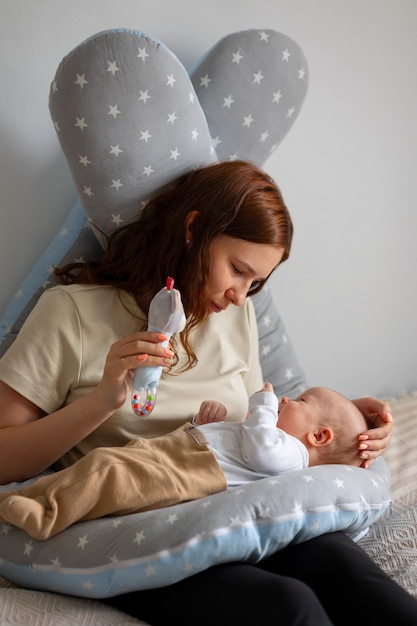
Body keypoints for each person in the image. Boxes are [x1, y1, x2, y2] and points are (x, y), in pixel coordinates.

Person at [0, 160, 414, 625]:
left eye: (255, 283)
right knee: (288, 607)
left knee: (357, 582)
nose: (241, 295)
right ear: (194, 228)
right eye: (237, 270)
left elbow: (269, 424)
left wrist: (349, 422)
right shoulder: (69, 314)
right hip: (148, 525)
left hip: (241, 506)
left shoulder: (237, 316)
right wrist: (101, 404)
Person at [0, 383, 367, 540]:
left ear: (318, 437)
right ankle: (33, 495)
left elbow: (260, 449)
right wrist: (208, 423)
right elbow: (238, 445)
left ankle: (47, 515)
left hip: (189, 474)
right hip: (181, 451)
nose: (286, 399)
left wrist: (264, 404)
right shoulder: (273, 439)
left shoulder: (291, 454)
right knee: (103, 461)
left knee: (110, 475)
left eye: (299, 400)